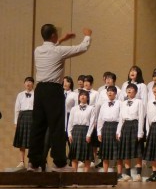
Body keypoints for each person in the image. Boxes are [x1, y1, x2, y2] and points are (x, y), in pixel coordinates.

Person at [28, 24, 92, 172]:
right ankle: (59, 162)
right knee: (56, 126)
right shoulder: (58, 51)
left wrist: (62, 39)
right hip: (53, 90)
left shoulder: (38, 50)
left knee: (38, 126)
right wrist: (87, 35)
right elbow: (81, 48)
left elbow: (51, 48)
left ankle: (33, 163)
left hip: (40, 90)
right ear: (53, 35)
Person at [116, 83, 145, 182]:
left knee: (137, 151)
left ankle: (138, 174)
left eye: (131, 89)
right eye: (128, 88)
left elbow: (141, 117)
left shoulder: (139, 102)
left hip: (135, 125)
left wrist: (140, 132)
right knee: (126, 151)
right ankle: (128, 174)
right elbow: (121, 118)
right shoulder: (123, 103)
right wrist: (118, 131)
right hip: (125, 126)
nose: (129, 90)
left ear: (135, 92)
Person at [67, 89, 96, 171]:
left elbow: (92, 122)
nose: (83, 96)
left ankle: (85, 176)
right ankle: (74, 175)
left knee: (87, 156)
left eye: (85, 95)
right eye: (81, 95)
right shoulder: (74, 108)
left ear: (88, 98)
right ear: (79, 97)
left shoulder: (91, 108)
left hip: (86, 130)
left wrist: (89, 134)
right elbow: (70, 122)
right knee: (74, 156)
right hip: (75, 131)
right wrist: (69, 134)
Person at [96, 85, 121, 174]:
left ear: (115, 93)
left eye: (112, 91)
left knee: (118, 153)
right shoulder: (104, 104)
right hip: (106, 127)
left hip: (116, 126)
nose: (110, 92)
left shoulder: (120, 103)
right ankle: (105, 173)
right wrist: (99, 132)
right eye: (108, 91)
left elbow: (121, 118)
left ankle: (119, 174)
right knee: (105, 153)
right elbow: (100, 119)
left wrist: (119, 131)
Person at [13, 77, 35, 169]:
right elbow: (17, 109)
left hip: (32, 117)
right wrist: (16, 122)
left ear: (33, 84)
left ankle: (31, 162)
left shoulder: (36, 94)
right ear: (24, 83)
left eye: (30, 82)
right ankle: (22, 162)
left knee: (31, 140)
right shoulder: (20, 95)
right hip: (22, 117)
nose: (28, 83)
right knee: (22, 140)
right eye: (26, 82)